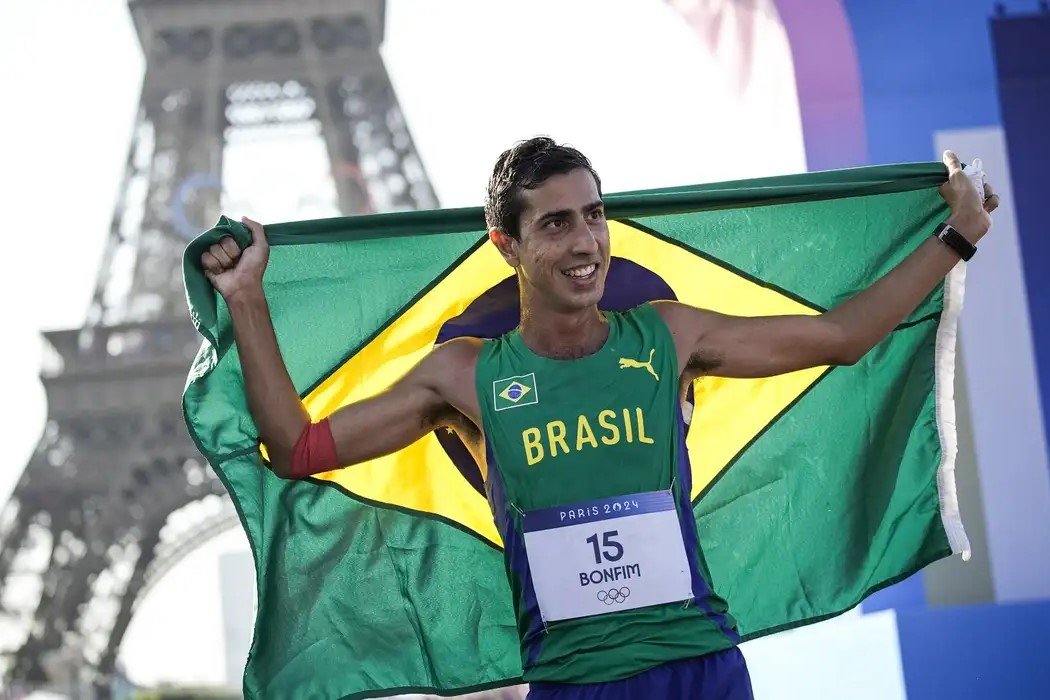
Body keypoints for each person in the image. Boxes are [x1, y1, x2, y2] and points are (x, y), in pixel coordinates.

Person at [200, 138, 999, 699]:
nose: (587, 241)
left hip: (701, 668)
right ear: (505, 244)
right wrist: (246, 301)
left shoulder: (669, 335)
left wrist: (956, 236)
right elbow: (298, 448)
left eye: (594, 214)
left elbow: (844, 337)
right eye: (556, 223)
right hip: (575, 685)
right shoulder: (467, 377)